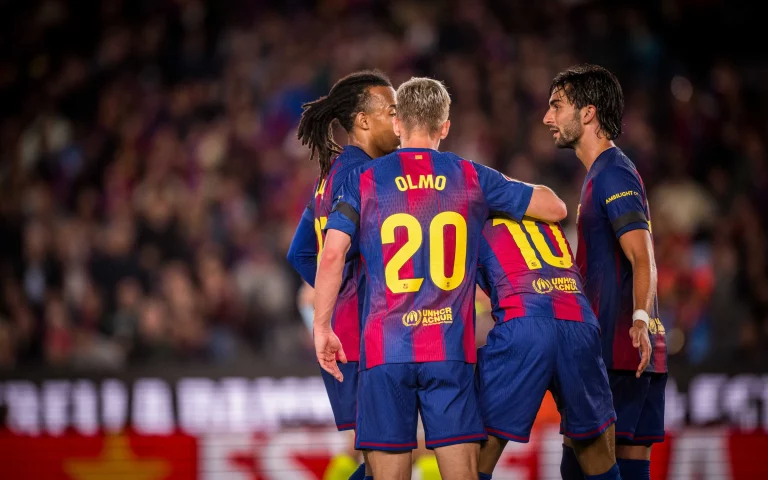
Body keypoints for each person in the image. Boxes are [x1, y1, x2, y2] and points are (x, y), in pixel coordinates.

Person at [313, 76, 567, 480]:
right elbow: (555, 208)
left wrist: (323, 327)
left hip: (384, 352)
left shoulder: (364, 179)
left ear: (398, 124)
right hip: (448, 350)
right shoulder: (472, 176)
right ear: (445, 127)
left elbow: (331, 254)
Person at [543, 64, 667, 480]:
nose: (547, 118)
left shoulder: (613, 172)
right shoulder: (604, 172)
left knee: (578, 465)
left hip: (618, 351)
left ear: (588, 113)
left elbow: (643, 255)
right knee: (627, 469)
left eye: (557, 106)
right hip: (630, 352)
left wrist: (639, 320)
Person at [286, 69, 400, 480]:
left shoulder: (330, 176)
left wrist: (336, 298)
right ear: (364, 121)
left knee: (380, 462)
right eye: (392, 111)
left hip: (347, 332)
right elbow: (323, 255)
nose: (400, 120)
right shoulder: (364, 175)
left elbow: (300, 252)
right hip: (365, 338)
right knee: (387, 463)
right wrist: (353, 294)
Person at [474, 214, 620, 480]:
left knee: (476, 457)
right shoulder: (546, 211)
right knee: (596, 456)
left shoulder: (470, 214)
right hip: (579, 321)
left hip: (524, 323)